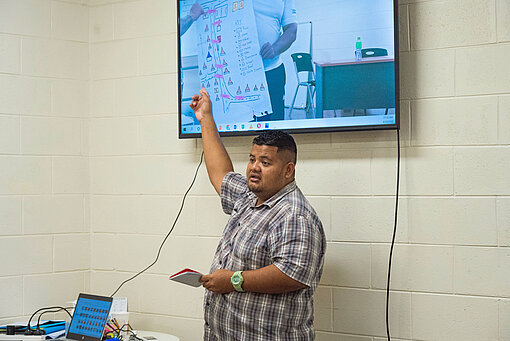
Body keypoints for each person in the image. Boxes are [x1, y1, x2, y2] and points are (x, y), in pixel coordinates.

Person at [190, 87, 326, 340]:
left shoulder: (295, 216)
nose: (254, 167)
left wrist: (233, 281)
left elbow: (291, 274)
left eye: (265, 162)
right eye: (252, 159)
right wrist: (206, 119)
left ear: (288, 170)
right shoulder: (248, 195)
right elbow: (219, 173)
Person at [254, 0, 298, 121]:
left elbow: (292, 30)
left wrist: (274, 49)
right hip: (239, 75)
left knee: (274, 126)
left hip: (272, 71)